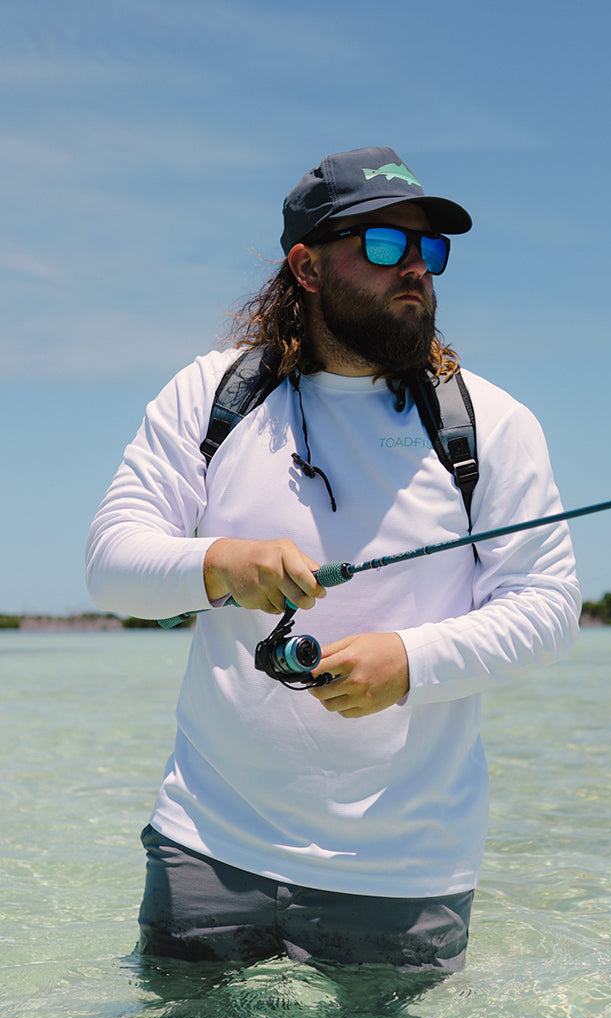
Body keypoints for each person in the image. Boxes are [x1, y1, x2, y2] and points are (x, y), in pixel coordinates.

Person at [86, 145, 580, 973]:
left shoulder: (491, 423)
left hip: (405, 869)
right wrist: (222, 564)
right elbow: (111, 563)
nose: (414, 266)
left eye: (428, 248)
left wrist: (411, 662)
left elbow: (548, 608)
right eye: (384, 244)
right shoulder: (213, 394)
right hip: (207, 844)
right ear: (306, 267)